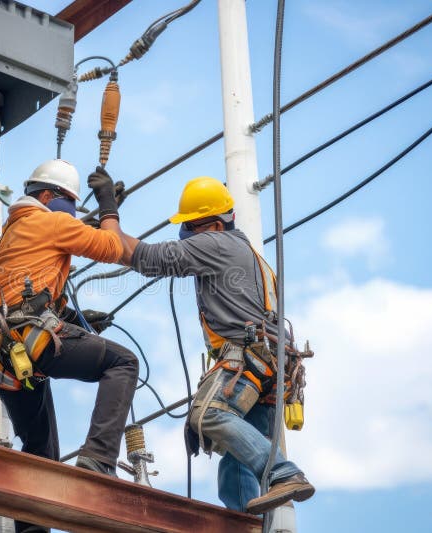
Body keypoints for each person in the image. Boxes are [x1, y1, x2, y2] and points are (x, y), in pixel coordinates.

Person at [120, 176, 314, 515]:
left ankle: (285, 474)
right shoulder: (247, 252)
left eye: (191, 227)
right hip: (271, 367)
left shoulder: (218, 243)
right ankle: (242, 520)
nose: (188, 236)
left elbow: (149, 258)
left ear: (212, 224)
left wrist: (109, 218)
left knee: (207, 414)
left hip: (249, 359)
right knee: (236, 458)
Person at [0, 160, 138, 533]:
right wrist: (108, 209)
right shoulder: (51, 222)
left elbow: (24, 294)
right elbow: (114, 247)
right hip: (31, 342)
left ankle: (32, 530)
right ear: (47, 197)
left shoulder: (14, 232)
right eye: (69, 201)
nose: (71, 212)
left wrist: (71, 321)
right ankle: (98, 458)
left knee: (40, 450)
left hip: (6, 355)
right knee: (123, 364)